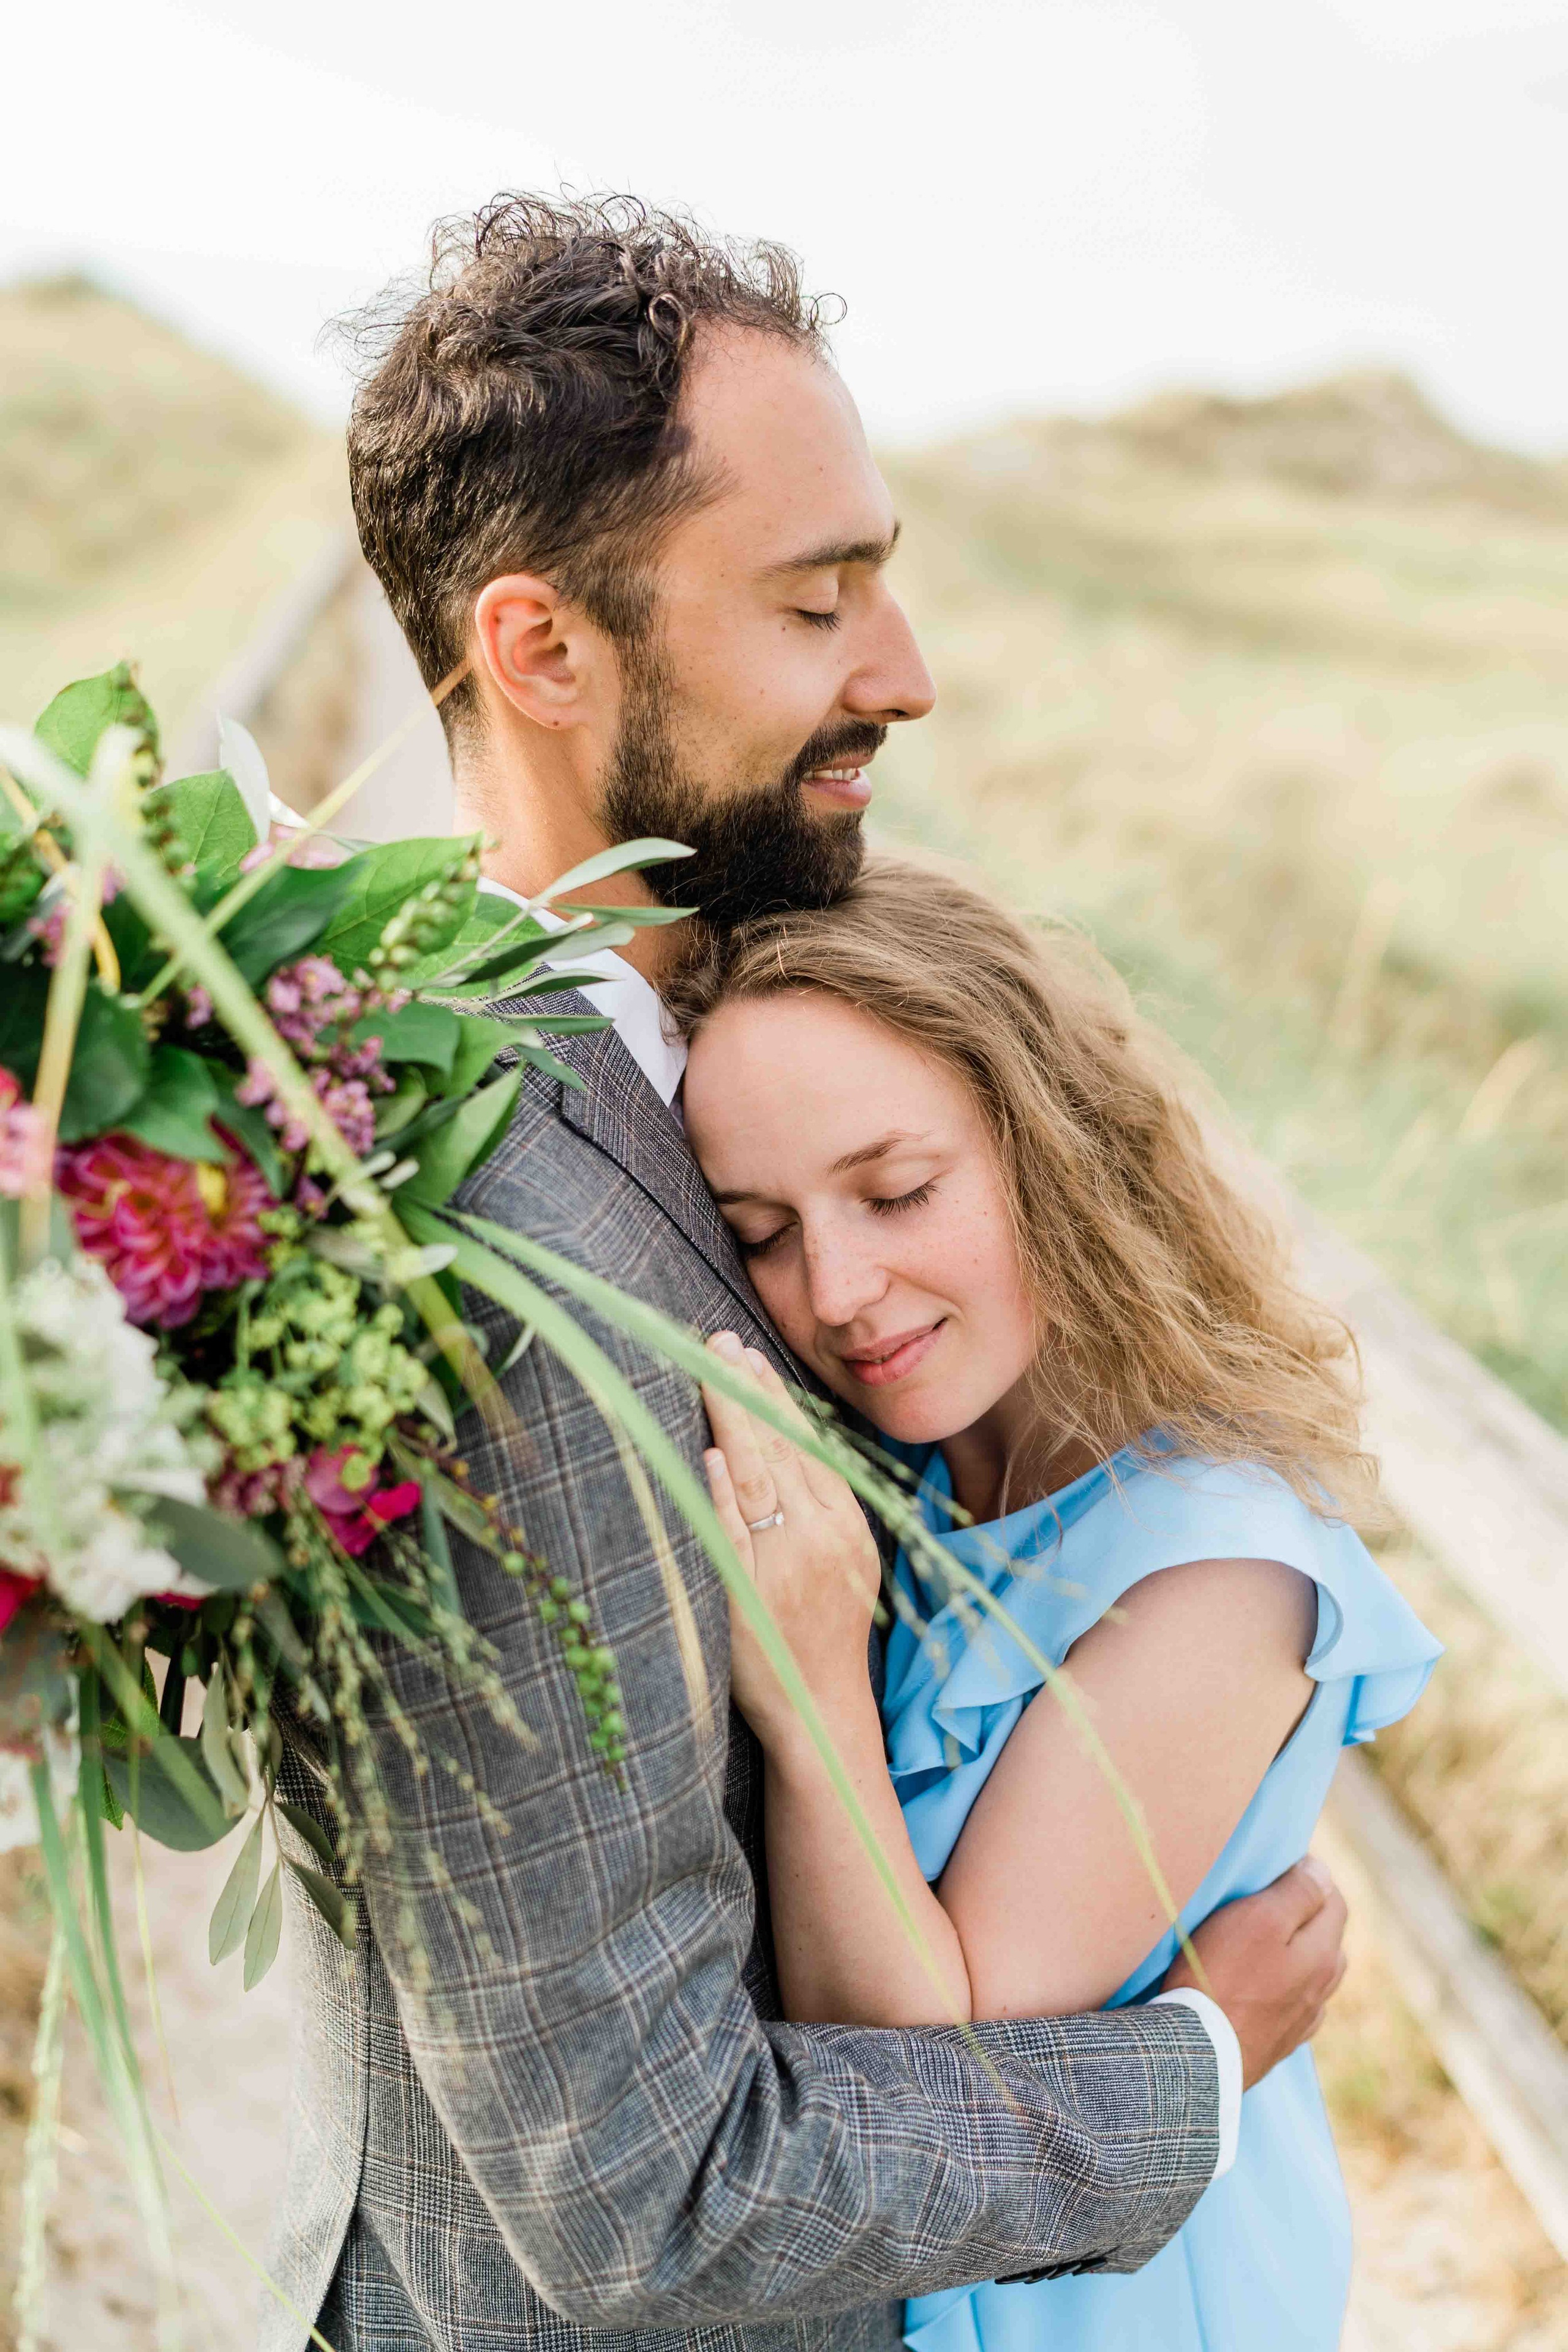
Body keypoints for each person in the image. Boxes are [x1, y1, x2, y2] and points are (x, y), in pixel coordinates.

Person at [266, 194, 1352, 2352]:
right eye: (816, 600)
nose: (905, 673)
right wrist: (1197, 2075)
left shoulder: (668, 1081)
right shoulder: (507, 1246)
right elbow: (634, 2194)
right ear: (544, 652)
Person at [675, 858, 1441, 2352]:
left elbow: (932, 2094)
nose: (836, 1288)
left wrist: (808, 1670)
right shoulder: (934, 1488)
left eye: (895, 1192)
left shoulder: (1209, 1568)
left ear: (1052, 1150)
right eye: (760, 1231)